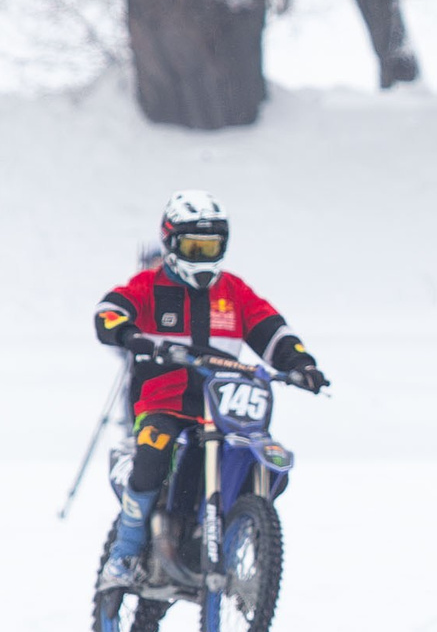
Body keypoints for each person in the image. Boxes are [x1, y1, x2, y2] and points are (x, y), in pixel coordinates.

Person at [92, 190, 328, 590]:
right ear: (169, 243)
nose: (202, 257)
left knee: (255, 458)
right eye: (192, 247)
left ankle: (223, 532)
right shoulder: (147, 285)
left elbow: (271, 329)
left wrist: (301, 364)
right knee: (153, 454)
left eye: (210, 248)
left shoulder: (234, 292)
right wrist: (130, 334)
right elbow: (109, 312)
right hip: (162, 402)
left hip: (222, 405)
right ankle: (125, 554)